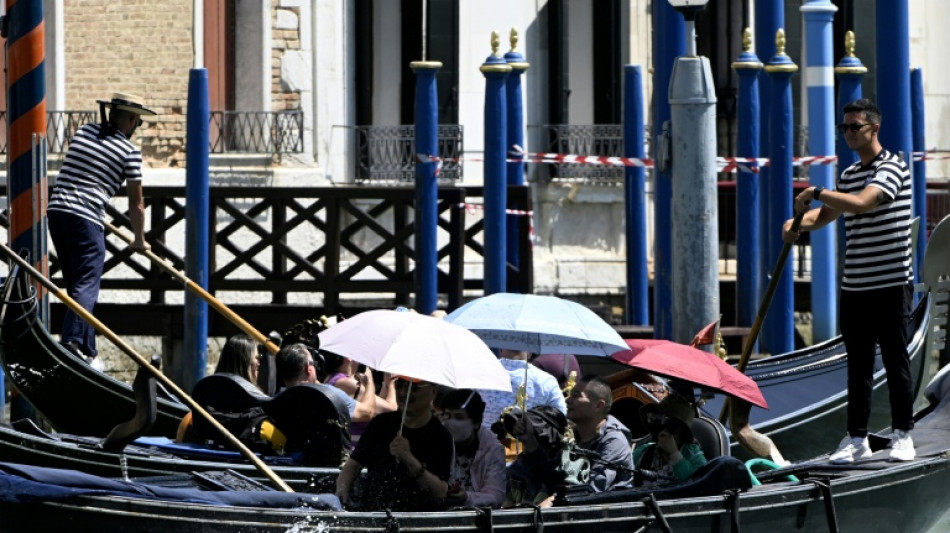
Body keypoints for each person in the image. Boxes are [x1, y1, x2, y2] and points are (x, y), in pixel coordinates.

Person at [782, 98, 916, 463]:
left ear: (874, 128)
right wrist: (793, 226)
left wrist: (816, 192)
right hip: (855, 287)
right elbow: (824, 217)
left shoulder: (892, 168)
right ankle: (857, 439)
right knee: (857, 366)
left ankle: (903, 435)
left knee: (895, 360)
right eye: (844, 128)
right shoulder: (850, 174)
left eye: (854, 127)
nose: (848, 133)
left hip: (890, 283)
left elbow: (861, 204)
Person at [47, 93, 155, 363]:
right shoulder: (129, 152)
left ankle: (87, 347)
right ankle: (71, 344)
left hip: (57, 211)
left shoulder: (84, 132)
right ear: (130, 119)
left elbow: (84, 173)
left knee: (78, 284)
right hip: (86, 218)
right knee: (87, 283)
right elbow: (136, 202)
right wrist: (140, 239)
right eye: (138, 123)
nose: (136, 128)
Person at [335, 378, 453, 511]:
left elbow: (440, 491)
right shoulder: (380, 424)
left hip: (416, 518)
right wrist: (342, 489)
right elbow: (354, 463)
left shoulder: (441, 436)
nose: (403, 393)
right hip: (374, 513)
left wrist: (409, 459)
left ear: (433, 392)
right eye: (399, 385)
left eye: (413, 388)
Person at [502, 405, 588, 507]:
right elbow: (507, 503)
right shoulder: (518, 469)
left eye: (526, 422)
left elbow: (571, 496)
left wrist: (552, 500)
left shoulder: (568, 465)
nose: (519, 426)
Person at [438, 389, 507, 508]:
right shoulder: (436, 438)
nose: (451, 423)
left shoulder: (492, 449)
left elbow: (495, 496)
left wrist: (466, 497)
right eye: (447, 416)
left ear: (476, 423)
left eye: (459, 417)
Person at [274, 343, 375, 423]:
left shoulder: (276, 401)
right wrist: (369, 381)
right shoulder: (329, 394)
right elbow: (367, 413)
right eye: (313, 364)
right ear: (308, 368)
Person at [566, 375, 634, 492]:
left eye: (576, 395)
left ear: (598, 406)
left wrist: (552, 500)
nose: (568, 400)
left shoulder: (614, 441)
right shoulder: (571, 436)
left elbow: (594, 488)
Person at [479, 349, 568, 432]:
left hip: (483, 444)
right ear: (529, 353)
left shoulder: (479, 373)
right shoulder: (546, 381)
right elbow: (561, 418)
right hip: (528, 445)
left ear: (500, 350)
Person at [632, 394, 707, 488]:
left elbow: (700, 485)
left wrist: (674, 454)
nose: (663, 431)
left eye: (672, 426)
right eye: (659, 422)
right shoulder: (643, 453)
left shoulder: (693, 455)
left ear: (682, 431)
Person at [323, 351, 398, 443]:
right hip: (352, 447)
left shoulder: (334, 377)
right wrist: (391, 383)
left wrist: (385, 382)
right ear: (348, 357)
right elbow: (391, 410)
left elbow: (376, 407)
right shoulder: (347, 383)